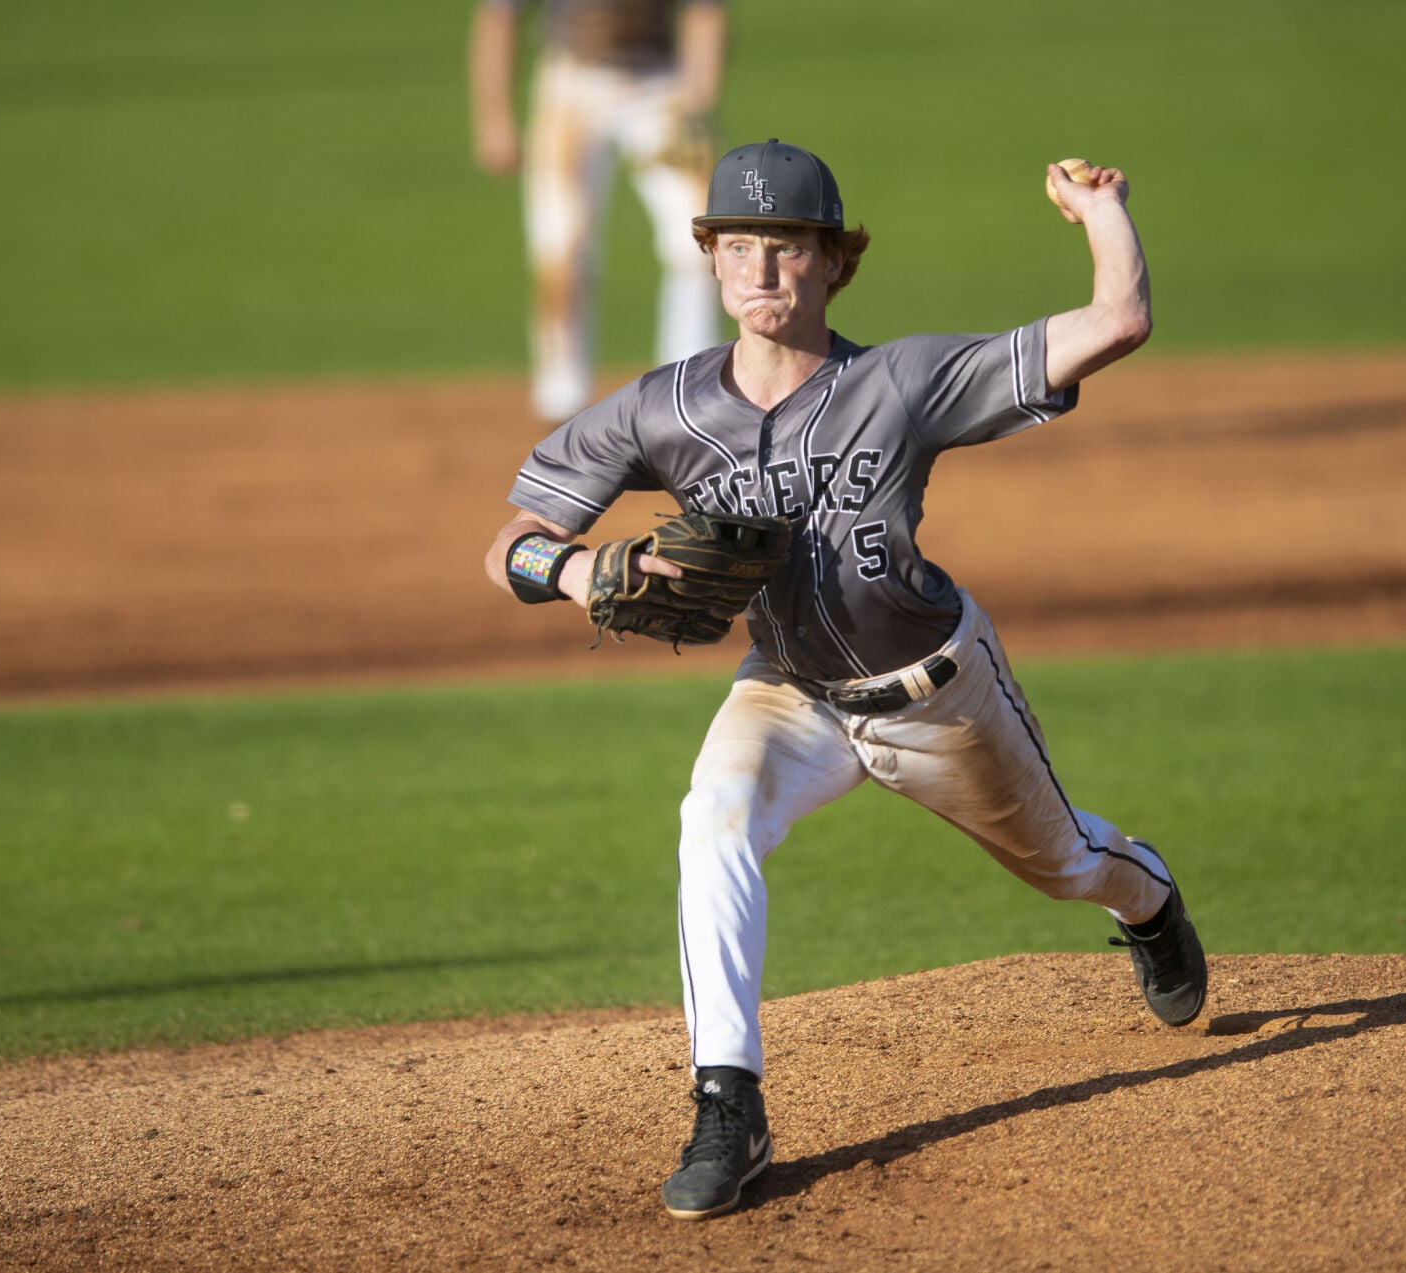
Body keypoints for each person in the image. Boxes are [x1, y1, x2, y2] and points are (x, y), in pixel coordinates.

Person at [481, 138, 1208, 1221]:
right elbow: (506, 547)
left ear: (834, 262)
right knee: (711, 816)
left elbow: (1118, 324)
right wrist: (579, 567)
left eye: (786, 247)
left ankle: (1149, 901)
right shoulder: (662, 409)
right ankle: (729, 1103)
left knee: (1064, 861)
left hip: (938, 696)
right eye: (738, 245)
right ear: (711, 262)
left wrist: (1102, 211)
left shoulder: (900, 383)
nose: (760, 269)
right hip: (788, 692)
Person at [467, 0, 728, 425]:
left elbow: (706, 13)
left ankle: (686, 395)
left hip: (661, 83)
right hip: (572, 82)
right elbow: (499, 15)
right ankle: (561, 401)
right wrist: (494, 117)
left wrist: (698, 106)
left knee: (702, 239)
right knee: (560, 244)